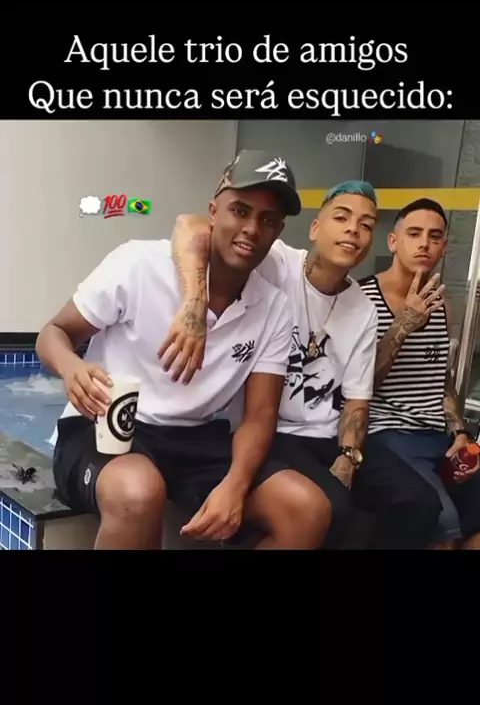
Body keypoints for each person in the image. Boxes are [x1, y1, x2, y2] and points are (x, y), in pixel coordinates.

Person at [36, 149, 333, 550]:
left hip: (196, 439)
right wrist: (71, 368)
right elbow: (53, 333)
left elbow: (260, 415)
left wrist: (235, 485)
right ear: (213, 212)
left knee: (307, 508)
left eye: (267, 220)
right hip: (106, 428)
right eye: (240, 211)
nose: (251, 229)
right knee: (138, 492)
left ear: (278, 231)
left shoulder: (274, 307)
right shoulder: (140, 264)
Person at [160, 180, 442, 549]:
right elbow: (191, 226)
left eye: (366, 225)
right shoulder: (276, 262)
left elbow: (357, 400)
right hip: (269, 431)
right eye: (341, 218)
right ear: (314, 228)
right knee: (332, 508)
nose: (353, 230)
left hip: (326, 436)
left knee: (420, 503)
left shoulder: (363, 308)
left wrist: (348, 457)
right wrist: (195, 302)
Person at [359, 197, 480, 550]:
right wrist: (402, 325)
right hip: (385, 435)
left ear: (444, 248)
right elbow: (357, 386)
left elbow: (441, 379)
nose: (424, 243)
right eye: (414, 234)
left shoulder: (441, 306)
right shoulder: (362, 299)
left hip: (436, 437)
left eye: (434, 236)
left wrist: (459, 432)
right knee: (442, 524)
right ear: (393, 241)